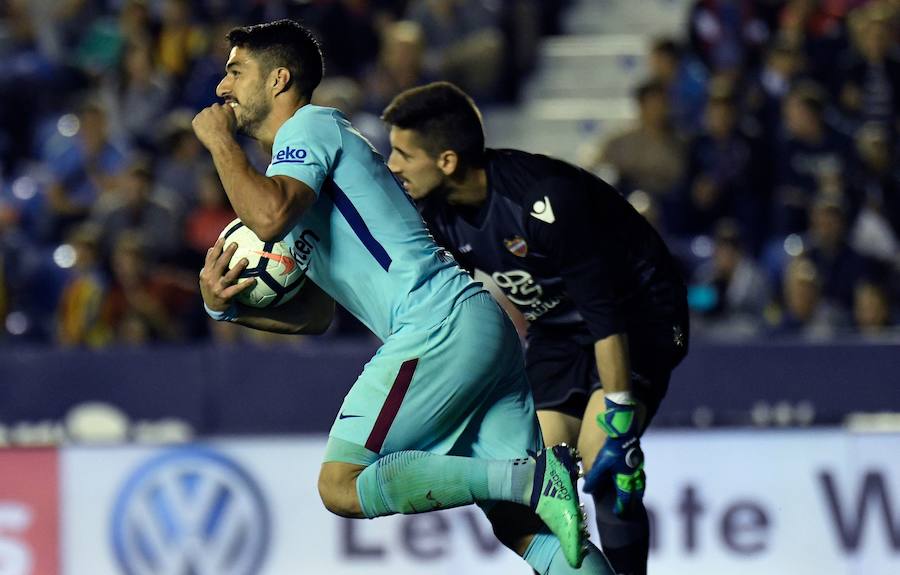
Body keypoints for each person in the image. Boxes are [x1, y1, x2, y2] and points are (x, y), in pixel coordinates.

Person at [191, 19, 612, 574]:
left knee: (340, 484)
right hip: (474, 326)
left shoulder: (309, 128)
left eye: (235, 72)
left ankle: (532, 478)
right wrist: (226, 305)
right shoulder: (296, 179)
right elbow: (315, 315)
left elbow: (265, 215)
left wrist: (218, 141)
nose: (222, 87)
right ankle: (533, 489)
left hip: (435, 325)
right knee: (524, 527)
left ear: (279, 80)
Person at [382, 81, 690, 575]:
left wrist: (620, 416)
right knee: (532, 485)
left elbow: (606, 316)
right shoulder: (435, 213)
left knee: (607, 462)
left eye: (403, 153)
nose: (392, 165)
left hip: (638, 317)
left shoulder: (542, 199)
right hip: (556, 328)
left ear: (446, 161)